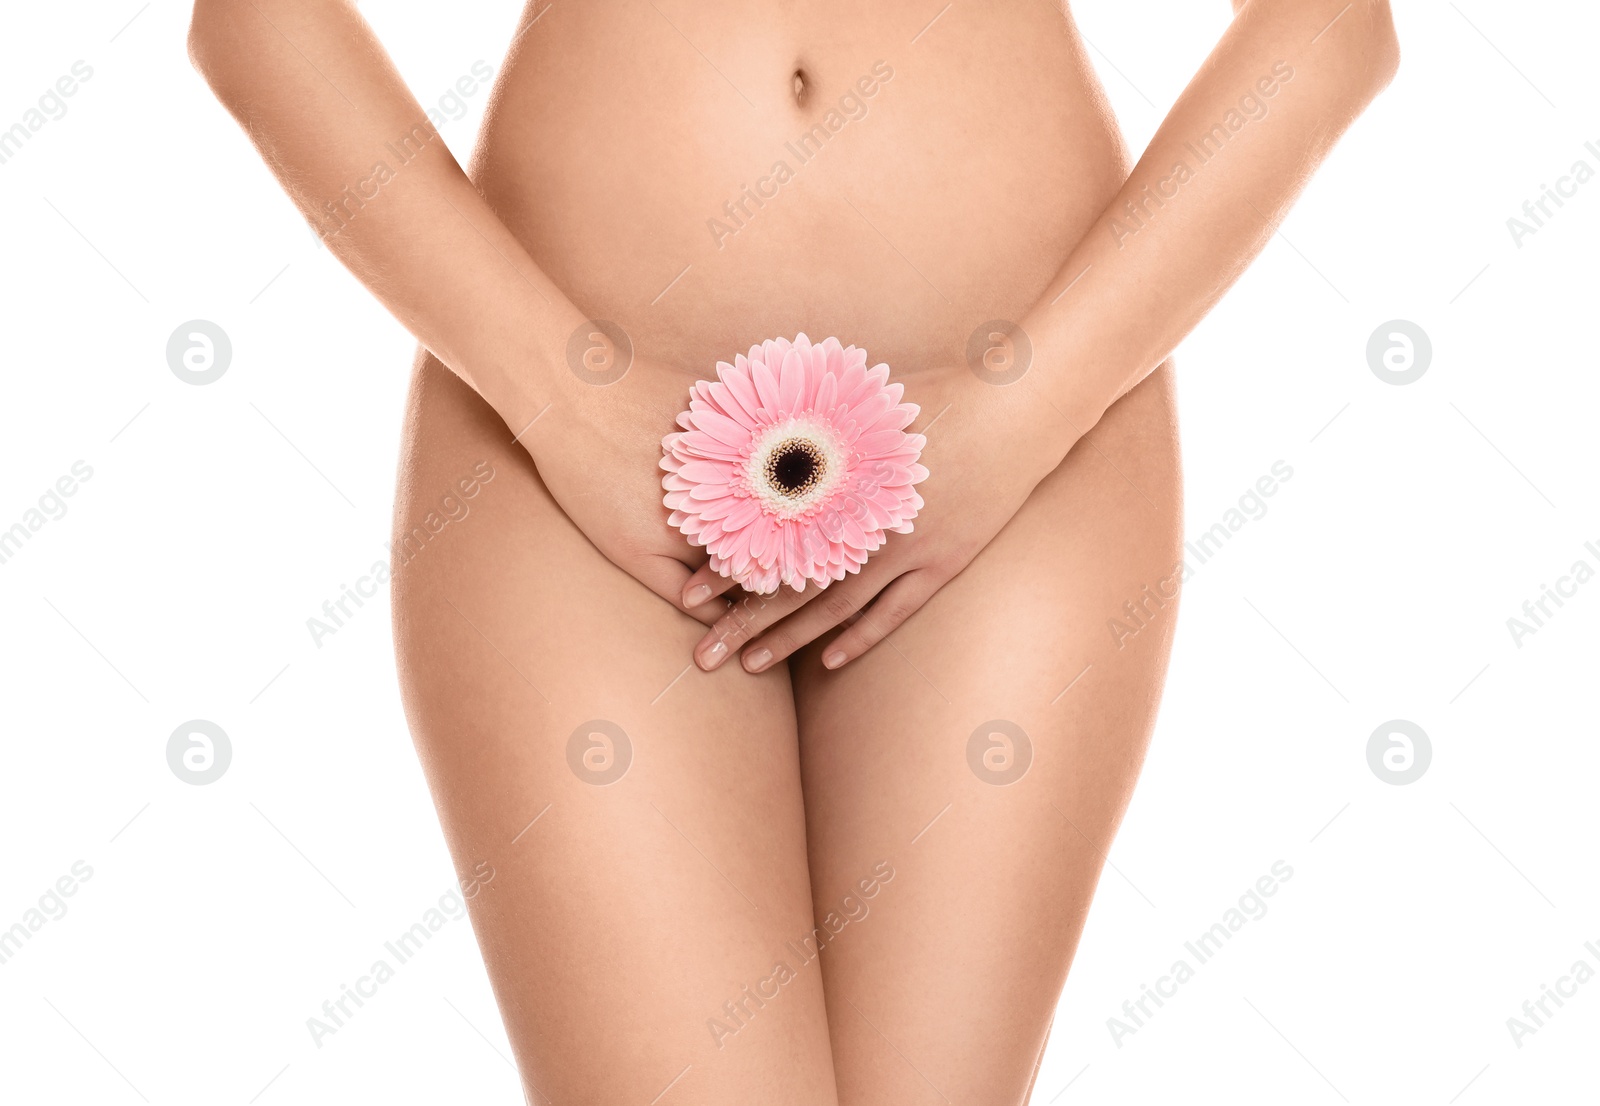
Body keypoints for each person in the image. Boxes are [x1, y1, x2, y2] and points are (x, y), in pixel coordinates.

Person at [189, 0, 1397, 1100]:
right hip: (566, 434)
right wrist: (563, 396)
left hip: (1021, 430)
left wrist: (1024, 406)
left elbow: (1335, 26)